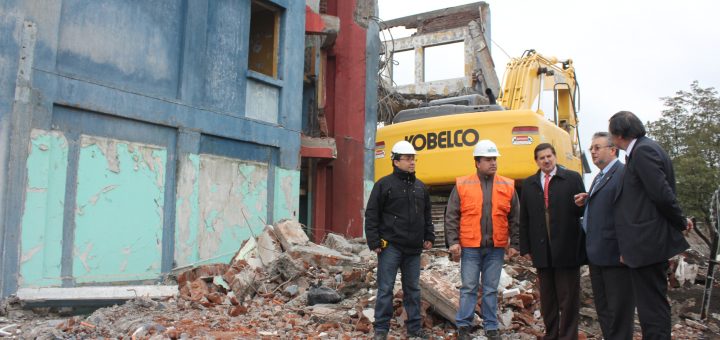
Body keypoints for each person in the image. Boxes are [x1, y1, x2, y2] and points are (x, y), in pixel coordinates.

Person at [609, 111, 692, 339]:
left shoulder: (643, 151)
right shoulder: (642, 150)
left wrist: (680, 221)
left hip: (647, 243)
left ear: (618, 134)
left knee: (651, 306)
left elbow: (661, 194)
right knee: (650, 305)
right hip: (646, 243)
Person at [444, 140, 519, 340]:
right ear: (477, 162)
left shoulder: (507, 185)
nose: (493, 162)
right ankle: (464, 326)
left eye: (494, 159)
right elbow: (451, 215)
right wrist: (453, 241)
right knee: (468, 287)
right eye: (488, 159)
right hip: (470, 247)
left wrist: (515, 244)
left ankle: (491, 326)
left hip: (496, 247)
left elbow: (515, 218)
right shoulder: (462, 184)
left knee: (490, 289)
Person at [365, 140, 435, 340]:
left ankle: (414, 328)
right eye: (408, 158)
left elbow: (427, 216)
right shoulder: (384, 185)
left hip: (413, 248)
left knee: (412, 289)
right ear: (396, 161)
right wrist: (374, 242)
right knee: (386, 288)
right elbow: (372, 214)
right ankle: (381, 329)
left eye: (413, 158)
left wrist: (429, 236)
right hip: (391, 247)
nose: (412, 162)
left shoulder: (420, 187)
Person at [519, 143, 586, 340]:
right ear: (536, 161)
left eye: (549, 156)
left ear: (555, 157)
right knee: (548, 299)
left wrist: (583, 205)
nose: (546, 160)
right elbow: (525, 219)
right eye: (542, 158)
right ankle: (551, 335)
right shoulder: (529, 184)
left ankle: (568, 336)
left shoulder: (572, 178)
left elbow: (582, 211)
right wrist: (526, 247)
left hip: (567, 248)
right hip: (542, 250)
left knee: (568, 298)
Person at [573, 132, 633, 340]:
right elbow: (608, 202)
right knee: (604, 310)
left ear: (612, 149)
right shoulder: (600, 176)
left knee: (619, 311)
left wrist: (627, 249)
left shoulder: (623, 174)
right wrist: (589, 199)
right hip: (597, 254)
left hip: (615, 256)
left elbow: (627, 214)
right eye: (591, 148)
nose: (592, 152)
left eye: (597, 147)